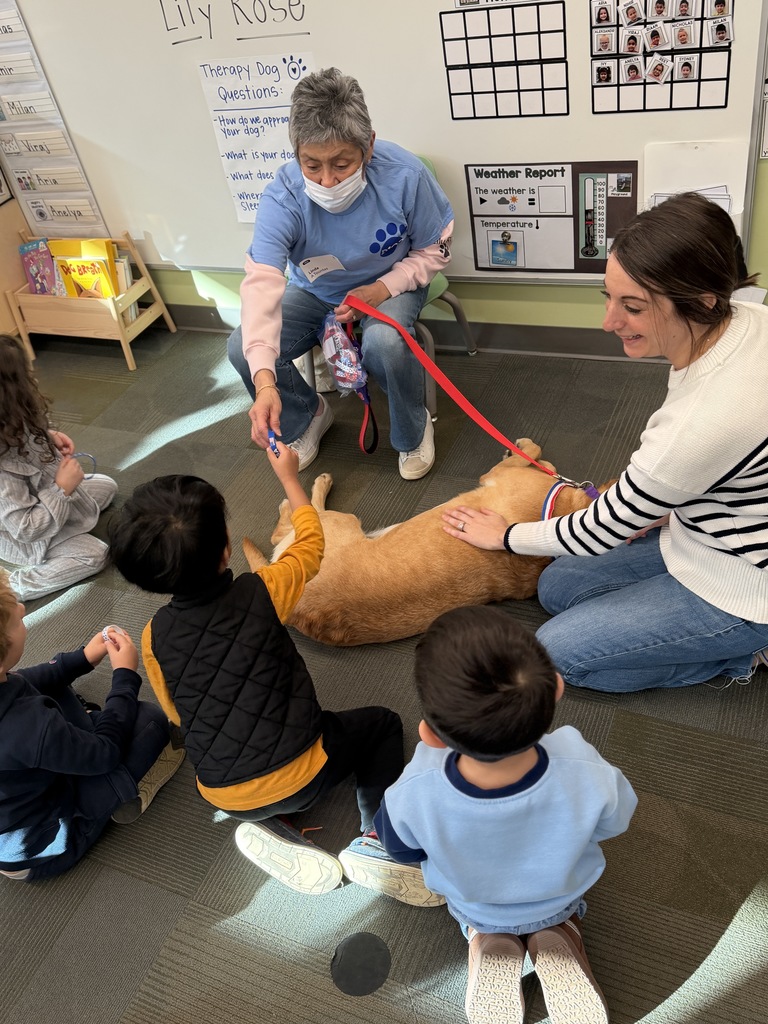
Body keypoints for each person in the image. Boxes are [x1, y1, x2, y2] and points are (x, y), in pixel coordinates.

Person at [442, 192, 768, 694]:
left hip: (745, 588)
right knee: (557, 586)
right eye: (609, 298)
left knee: (558, 657)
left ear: (702, 300)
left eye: (632, 307)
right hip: (706, 530)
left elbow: (603, 528)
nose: (608, 322)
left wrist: (507, 535)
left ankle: (743, 651)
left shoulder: (699, 425)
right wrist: (660, 504)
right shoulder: (746, 316)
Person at [107, 444, 434, 901]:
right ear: (225, 548)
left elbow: (177, 716)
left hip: (223, 795)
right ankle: (378, 839)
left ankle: (274, 828)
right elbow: (310, 546)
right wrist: (289, 479)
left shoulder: (152, 636)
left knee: (248, 767)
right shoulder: (263, 590)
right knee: (382, 723)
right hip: (308, 773)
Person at [339, 608, 637, 1024]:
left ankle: (486, 942)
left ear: (429, 734)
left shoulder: (415, 789)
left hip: (477, 904)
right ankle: (560, 933)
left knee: (479, 920)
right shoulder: (582, 763)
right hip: (560, 895)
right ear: (555, 689)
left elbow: (402, 850)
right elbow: (616, 820)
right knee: (559, 912)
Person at [227, 67, 454, 481]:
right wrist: (264, 386)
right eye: (311, 164)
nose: (327, 181)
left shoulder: (405, 175)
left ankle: (412, 429)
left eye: (341, 164)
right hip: (317, 290)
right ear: (296, 149)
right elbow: (262, 284)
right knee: (242, 345)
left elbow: (433, 251)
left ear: (367, 146)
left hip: (391, 282)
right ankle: (308, 415)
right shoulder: (283, 195)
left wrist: (383, 288)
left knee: (385, 343)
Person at [0, 571, 184, 882]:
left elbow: (26, 681)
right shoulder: (29, 726)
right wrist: (124, 676)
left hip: (15, 817)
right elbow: (105, 753)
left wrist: (84, 658)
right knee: (150, 721)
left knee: (57, 690)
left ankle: (77, 737)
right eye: (15, 620)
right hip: (47, 842)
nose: (21, 610)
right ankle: (105, 809)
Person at [0, 335, 118, 602]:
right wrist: (62, 489)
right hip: (27, 536)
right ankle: (14, 588)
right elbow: (26, 528)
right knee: (96, 555)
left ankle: (67, 512)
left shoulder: (10, 416)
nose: (31, 378)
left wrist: (47, 435)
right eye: (23, 375)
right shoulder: (3, 475)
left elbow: (24, 432)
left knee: (107, 486)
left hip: (46, 495)